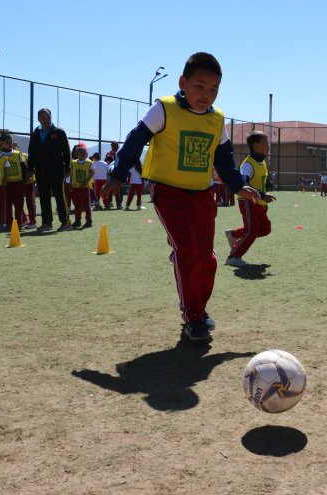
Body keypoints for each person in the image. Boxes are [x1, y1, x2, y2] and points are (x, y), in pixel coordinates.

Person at [101, 52, 254, 343]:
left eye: (213, 89)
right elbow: (135, 139)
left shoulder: (217, 119)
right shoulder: (164, 109)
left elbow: (224, 160)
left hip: (201, 193)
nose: (206, 94)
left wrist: (237, 185)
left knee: (206, 257)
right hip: (167, 190)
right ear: (183, 82)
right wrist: (118, 172)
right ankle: (192, 317)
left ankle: (199, 309)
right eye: (199, 85)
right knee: (187, 249)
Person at [224, 130, 276, 267]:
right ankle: (233, 257)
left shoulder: (262, 162)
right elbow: (244, 183)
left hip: (258, 202)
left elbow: (260, 179)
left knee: (265, 228)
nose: (268, 146)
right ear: (256, 146)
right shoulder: (248, 164)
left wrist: (267, 187)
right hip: (247, 201)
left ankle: (234, 234)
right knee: (252, 231)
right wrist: (263, 195)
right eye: (265, 143)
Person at [27, 108, 72, 231]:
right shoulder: (35, 133)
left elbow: (67, 151)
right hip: (40, 171)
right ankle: (47, 223)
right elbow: (31, 152)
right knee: (44, 197)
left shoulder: (59, 132)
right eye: (42, 117)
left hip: (57, 170)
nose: (45, 119)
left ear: (51, 117)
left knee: (59, 196)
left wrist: (68, 167)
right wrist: (30, 168)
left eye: (47, 117)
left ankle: (65, 222)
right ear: (38, 119)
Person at [0, 133, 27, 229]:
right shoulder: (0, 155)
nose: (9, 143)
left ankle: (19, 223)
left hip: (18, 183)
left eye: (11, 141)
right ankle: (8, 224)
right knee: (7, 205)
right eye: (7, 142)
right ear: (2, 143)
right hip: (6, 185)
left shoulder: (17, 153)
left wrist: (24, 179)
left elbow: (23, 167)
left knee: (19, 204)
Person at [69, 143, 94, 228]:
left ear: (86, 154)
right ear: (76, 154)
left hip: (85, 187)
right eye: (80, 153)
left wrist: (85, 182)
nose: (83, 154)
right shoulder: (73, 163)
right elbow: (72, 174)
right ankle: (77, 221)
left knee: (86, 205)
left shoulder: (89, 163)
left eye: (84, 152)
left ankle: (89, 221)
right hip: (76, 187)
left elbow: (92, 173)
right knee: (77, 204)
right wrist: (71, 183)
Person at [14, 142, 37, 229]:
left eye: (15, 147)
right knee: (17, 202)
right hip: (18, 183)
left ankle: (32, 221)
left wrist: (29, 176)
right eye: (12, 147)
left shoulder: (25, 155)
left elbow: (32, 167)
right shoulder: (9, 157)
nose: (14, 149)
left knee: (30, 202)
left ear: (18, 148)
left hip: (29, 182)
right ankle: (23, 219)